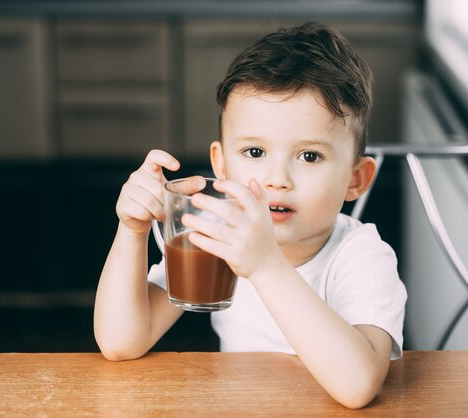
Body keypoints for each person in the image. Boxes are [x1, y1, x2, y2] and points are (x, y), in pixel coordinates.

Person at [94, 22, 406, 409]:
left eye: (309, 156)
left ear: (355, 180)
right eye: (255, 153)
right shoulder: (217, 239)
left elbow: (358, 386)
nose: (277, 179)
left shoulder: (362, 257)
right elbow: (120, 342)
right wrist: (132, 230)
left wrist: (265, 266)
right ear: (220, 166)